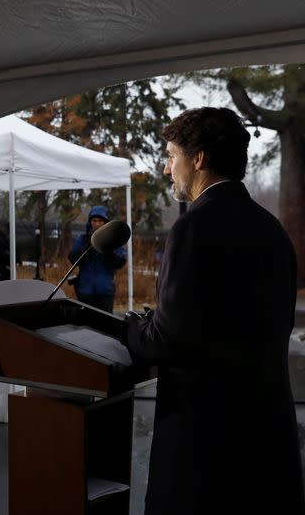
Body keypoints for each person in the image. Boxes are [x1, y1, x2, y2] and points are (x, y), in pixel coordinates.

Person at [122, 107, 304, 514]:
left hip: (206, 451)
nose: (168, 168)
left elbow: (168, 340)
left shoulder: (194, 227)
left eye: (171, 156)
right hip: (267, 442)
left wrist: (129, 331)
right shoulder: (272, 230)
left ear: (198, 158)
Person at [67, 206, 126, 313]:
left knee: (105, 324)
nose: (97, 224)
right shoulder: (82, 239)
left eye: (100, 221)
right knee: (87, 324)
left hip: (105, 291)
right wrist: (89, 244)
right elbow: (73, 258)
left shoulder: (113, 239)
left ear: (105, 223)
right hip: (85, 291)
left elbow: (120, 262)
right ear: (90, 222)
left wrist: (107, 249)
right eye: (94, 221)